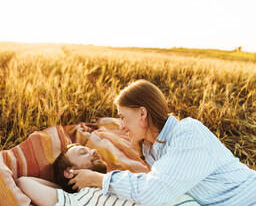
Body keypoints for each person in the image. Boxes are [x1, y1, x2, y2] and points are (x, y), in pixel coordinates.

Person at [69, 79, 256, 206]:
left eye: (123, 117)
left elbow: (154, 191)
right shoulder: (152, 150)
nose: (122, 126)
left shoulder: (188, 133)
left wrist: (97, 179)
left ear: (142, 113)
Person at [16, 144, 199, 206]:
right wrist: (70, 188)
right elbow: (24, 181)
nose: (93, 151)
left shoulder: (118, 178)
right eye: (82, 153)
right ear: (69, 172)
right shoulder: (76, 201)